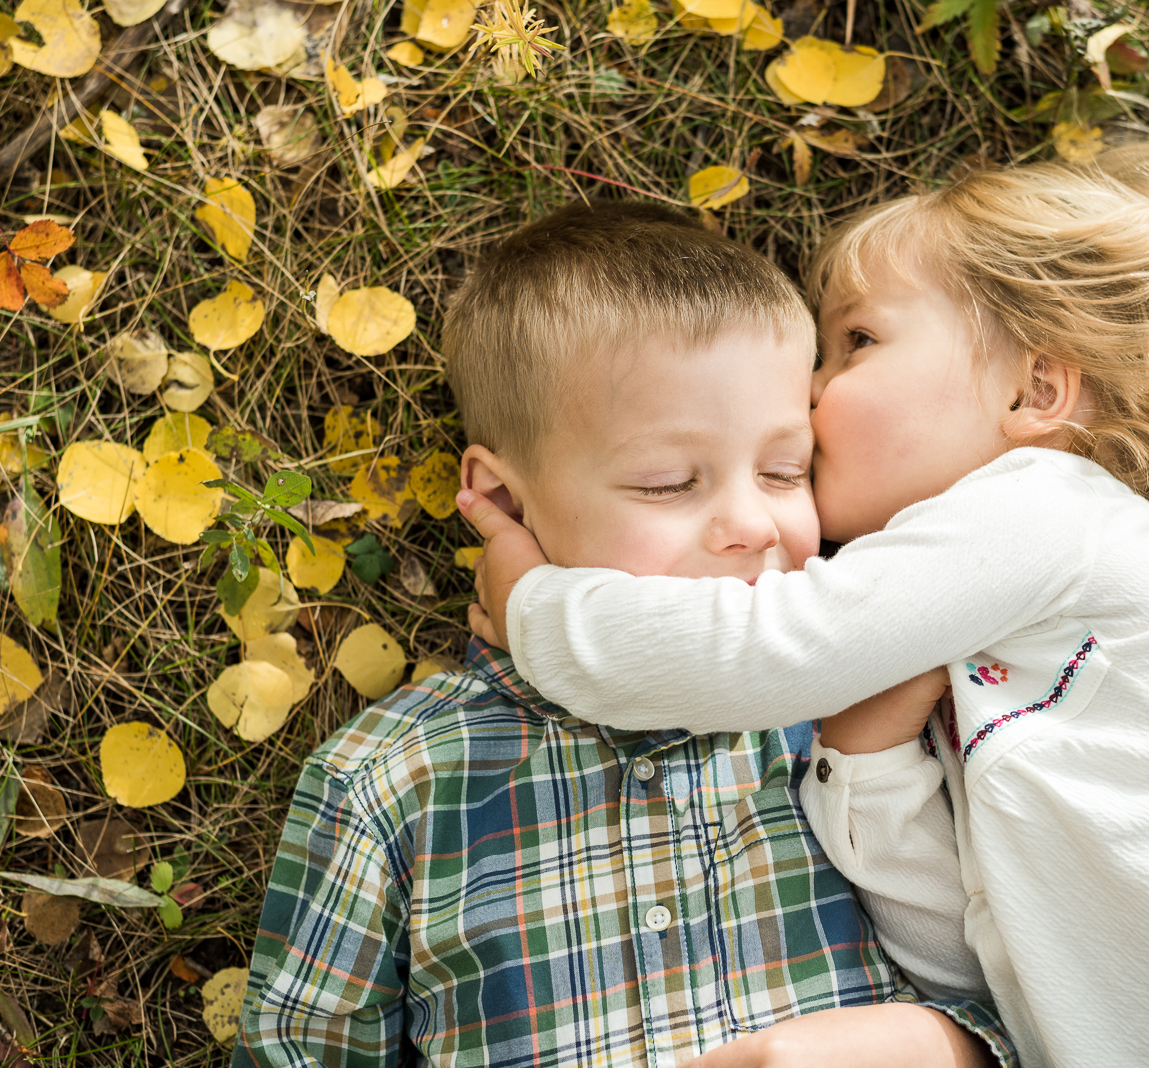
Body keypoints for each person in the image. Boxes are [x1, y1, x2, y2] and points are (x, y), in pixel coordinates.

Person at [458, 140, 1149, 1068]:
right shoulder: (949, 627)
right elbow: (963, 950)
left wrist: (540, 605)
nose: (817, 393)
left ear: (1033, 393)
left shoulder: (1051, 513)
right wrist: (869, 765)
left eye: (859, 343)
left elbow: (772, 648)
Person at [232, 200, 1014, 1068]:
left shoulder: (862, 718)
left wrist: (947, 1046)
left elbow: (1035, 988)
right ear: (504, 501)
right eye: (668, 482)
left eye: (787, 471)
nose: (752, 522)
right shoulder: (393, 779)